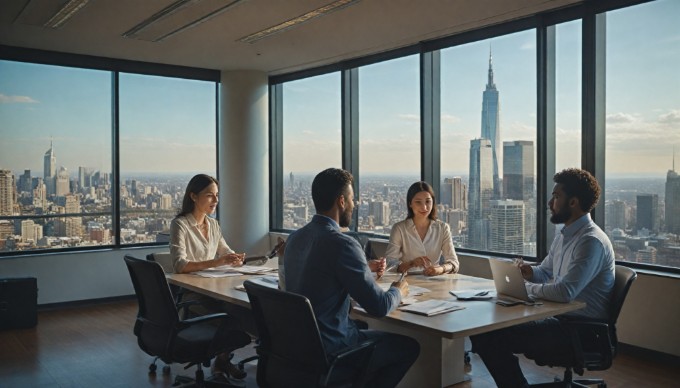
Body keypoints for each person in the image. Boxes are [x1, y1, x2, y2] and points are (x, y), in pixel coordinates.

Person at [470, 168, 615, 388]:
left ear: (573, 202)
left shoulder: (590, 242)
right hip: (561, 321)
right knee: (486, 330)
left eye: (556, 197)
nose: (550, 202)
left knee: (489, 336)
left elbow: (565, 292)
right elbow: (545, 271)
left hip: (580, 332)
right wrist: (529, 273)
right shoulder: (565, 235)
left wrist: (527, 289)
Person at [284, 168, 420, 388]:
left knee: (360, 325)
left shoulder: (295, 238)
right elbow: (379, 306)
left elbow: (320, 272)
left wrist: (362, 267)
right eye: (352, 199)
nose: (355, 204)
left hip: (300, 347)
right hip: (332, 347)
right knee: (408, 347)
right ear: (341, 201)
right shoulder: (343, 243)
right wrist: (398, 290)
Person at [169, 174, 249, 379]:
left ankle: (221, 362)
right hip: (192, 294)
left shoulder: (214, 225)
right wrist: (217, 262)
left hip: (215, 288)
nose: (216, 200)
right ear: (194, 196)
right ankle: (220, 363)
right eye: (210, 195)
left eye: (217, 195)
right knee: (232, 314)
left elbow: (224, 251)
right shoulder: (180, 225)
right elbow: (180, 265)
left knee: (240, 311)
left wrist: (234, 259)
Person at [385, 181, 459, 276]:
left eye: (428, 201)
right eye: (418, 202)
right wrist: (411, 263)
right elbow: (389, 263)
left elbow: (454, 263)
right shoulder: (399, 228)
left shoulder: (443, 228)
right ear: (410, 204)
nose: (424, 207)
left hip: (435, 280)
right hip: (407, 281)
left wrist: (440, 269)